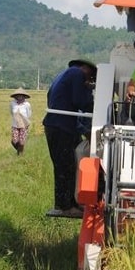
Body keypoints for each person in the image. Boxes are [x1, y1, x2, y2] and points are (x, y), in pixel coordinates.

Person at [43, 59, 97, 218]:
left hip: (56, 124)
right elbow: (80, 101)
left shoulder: (62, 75)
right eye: (91, 76)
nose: (90, 80)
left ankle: (70, 203)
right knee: (66, 166)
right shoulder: (77, 73)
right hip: (62, 126)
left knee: (65, 164)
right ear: (85, 68)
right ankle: (65, 206)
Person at [9, 88, 32, 155]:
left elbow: (29, 114)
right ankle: (20, 151)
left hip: (24, 125)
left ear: (24, 96)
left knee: (21, 142)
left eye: (21, 95)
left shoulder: (27, 104)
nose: (19, 97)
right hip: (15, 125)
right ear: (15, 96)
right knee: (14, 141)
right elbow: (11, 112)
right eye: (18, 95)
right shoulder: (12, 103)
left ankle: (20, 154)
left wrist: (25, 121)